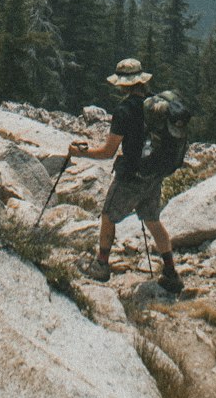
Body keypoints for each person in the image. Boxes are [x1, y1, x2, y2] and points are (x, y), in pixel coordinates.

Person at [68, 57, 183, 293]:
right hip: (153, 172)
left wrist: (81, 152)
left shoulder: (123, 111)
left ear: (122, 84)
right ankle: (171, 273)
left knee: (109, 216)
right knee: (152, 220)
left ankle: (101, 265)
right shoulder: (155, 107)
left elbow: (107, 152)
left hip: (131, 176)